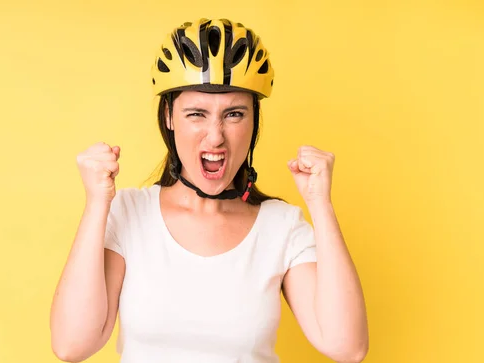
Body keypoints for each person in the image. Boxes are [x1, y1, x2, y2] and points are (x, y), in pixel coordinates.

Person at [50, 18, 369, 363]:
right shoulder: (128, 213)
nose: (215, 136)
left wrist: (320, 204)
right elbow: (72, 345)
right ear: (170, 117)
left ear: (254, 122)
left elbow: (347, 347)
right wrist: (97, 203)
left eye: (234, 114)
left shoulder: (282, 226)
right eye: (196, 114)